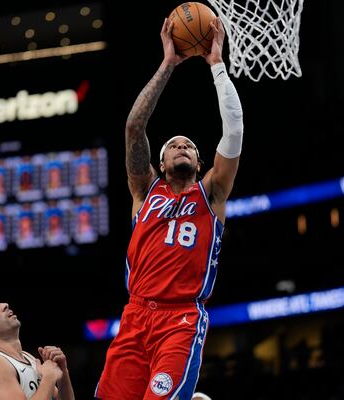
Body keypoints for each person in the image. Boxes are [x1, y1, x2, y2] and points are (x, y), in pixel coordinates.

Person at [95, 16, 243, 400]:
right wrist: (167, 64)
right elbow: (134, 127)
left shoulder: (212, 194)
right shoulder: (145, 190)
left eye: (190, 147)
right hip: (135, 314)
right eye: (174, 146)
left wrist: (217, 66)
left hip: (181, 318)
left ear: (198, 163)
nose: (183, 148)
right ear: (160, 164)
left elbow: (234, 132)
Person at [0, 293, 75, 400]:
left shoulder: (28, 358)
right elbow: (48, 380)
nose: (4, 304)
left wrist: (62, 373)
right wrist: (48, 378)